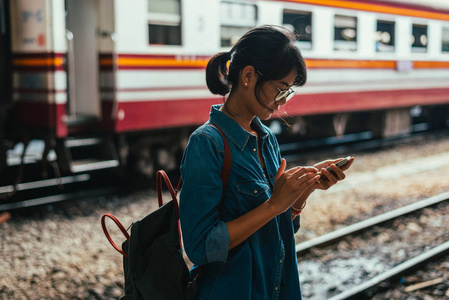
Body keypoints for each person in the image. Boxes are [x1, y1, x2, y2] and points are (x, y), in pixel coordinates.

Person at [179, 25, 354, 300]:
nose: (282, 102)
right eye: (280, 89)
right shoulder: (207, 143)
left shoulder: (266, 138)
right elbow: (200, 247)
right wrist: (274, 204)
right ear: (248, 76)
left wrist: (302, 192)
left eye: (289, 92)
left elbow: (281, 226)